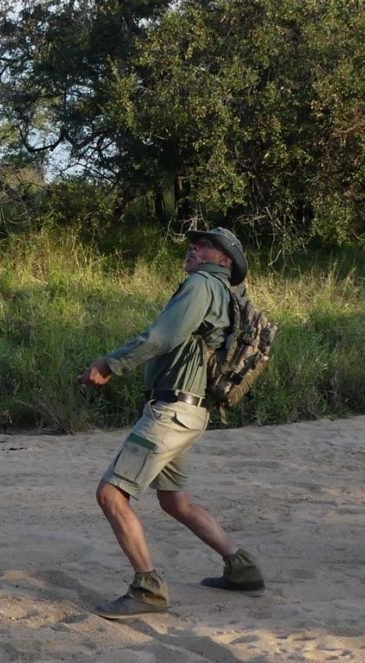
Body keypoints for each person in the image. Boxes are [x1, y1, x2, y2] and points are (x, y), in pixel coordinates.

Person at [79, 227, 265, 618]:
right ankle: (242, 568)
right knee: (175, 501)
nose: (194, 249)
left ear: (225, 260)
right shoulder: (228, 294)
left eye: (205, 246)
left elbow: (161, 336)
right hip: (191, 412)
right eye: (195, 244)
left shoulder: (201, 284)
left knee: (111, 494)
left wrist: (109, 364)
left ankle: (147, 588)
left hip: (172, 412)